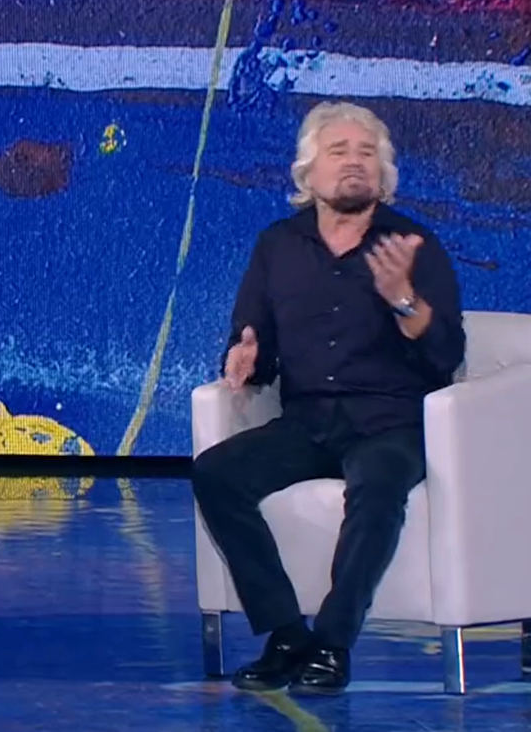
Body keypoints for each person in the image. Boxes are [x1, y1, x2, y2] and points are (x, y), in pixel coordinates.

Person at [191, 101, 465, 696]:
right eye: (339, 151)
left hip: (391, 422)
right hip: (308, 421)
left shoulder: (413, 244)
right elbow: (251, 340)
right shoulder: (277, 246)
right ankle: (287, 633)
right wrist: (244, 358)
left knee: (378, 485)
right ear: (308, 172)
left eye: (367, 153)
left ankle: (332, 643)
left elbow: (447, 353)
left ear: (383, 175)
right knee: (215, 474)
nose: (354, 162)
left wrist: (402, 299)